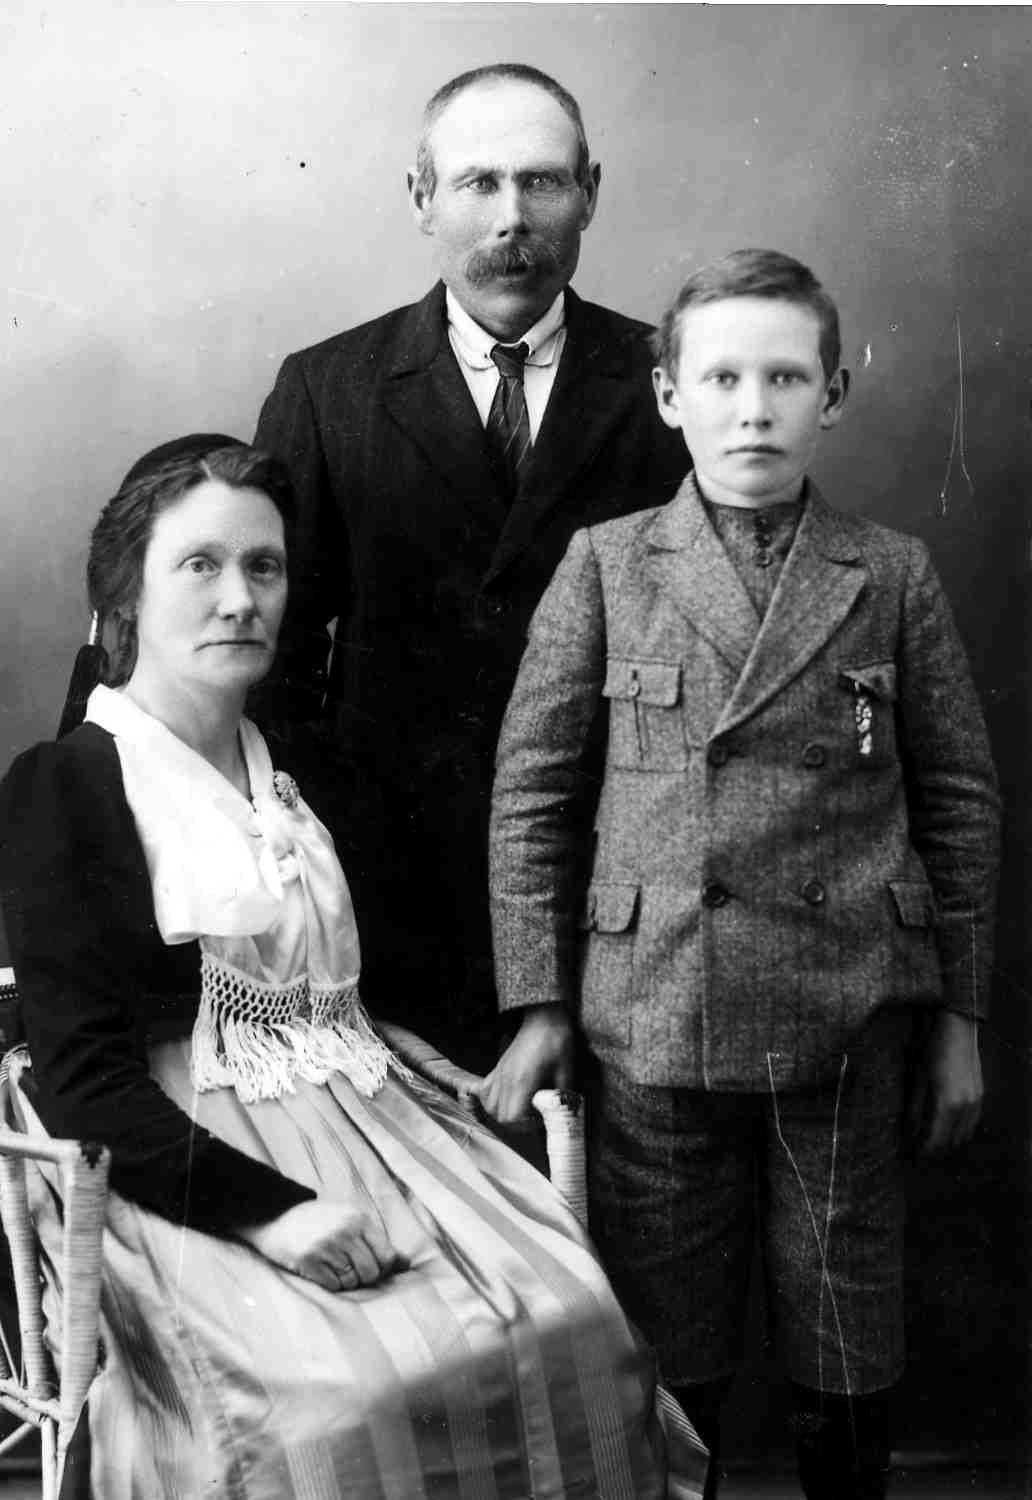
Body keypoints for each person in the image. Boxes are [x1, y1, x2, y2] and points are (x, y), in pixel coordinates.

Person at [0, 435, 706, 1500]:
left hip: (374, 1123)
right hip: (168, 1169)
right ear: (126, 595)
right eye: (199, 565)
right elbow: (83, 1078)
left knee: (573, 1323)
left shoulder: (307, 775)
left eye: (265, 567)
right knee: (331, 1408)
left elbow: (365, 999)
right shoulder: (67, 784)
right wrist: (277, 1213)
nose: (240, 599)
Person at [483, 251, 1001, 1499]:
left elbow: (960, 803)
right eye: (720, 379)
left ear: (836, 393)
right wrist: (541, 1004)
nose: (753, 409)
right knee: (669, 1345)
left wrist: (961, 1019)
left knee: (845, 1326)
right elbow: (532, 794)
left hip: (848, 1015)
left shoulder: (890, 572)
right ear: (670, 396)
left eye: (784, 378)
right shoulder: (608, 564)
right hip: (657, 1013)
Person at [253, 63, 685, 1071]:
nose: (512, 217)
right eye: (479, 182)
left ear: (590, 194)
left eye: (542, 181)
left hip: (618, 882)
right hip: (391, 890)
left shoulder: (668, 383)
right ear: (422, 198)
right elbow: (274, 659)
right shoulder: (328, 389)